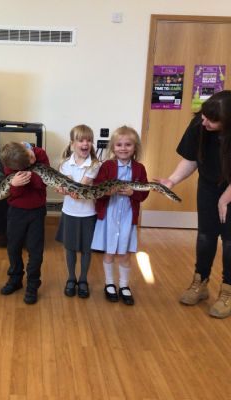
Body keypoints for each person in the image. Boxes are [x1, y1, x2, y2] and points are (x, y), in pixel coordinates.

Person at [156, 90, 231, 318]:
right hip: (208, 183)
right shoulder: (200, 123)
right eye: (204, 116)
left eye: (212, 120)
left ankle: (227, 291)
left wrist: (225, 198)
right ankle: (200, 282)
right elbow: (191, 159)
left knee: (229, 240)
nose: (205, 122)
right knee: (206, 235)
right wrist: (172, 180)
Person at [91, 126, 149, 305]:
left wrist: (133, 193)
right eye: (119, 144)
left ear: (135, 147)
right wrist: (108, 191)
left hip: (127, 218)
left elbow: (145, 192)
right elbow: (97, 189)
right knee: (109, 252)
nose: (123, 148)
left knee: (125, 254)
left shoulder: (139, 168)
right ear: (113, 147)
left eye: (128, 144)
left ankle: (124, 285)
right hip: (109, 216)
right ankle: (109, 284)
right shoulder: (107, 166)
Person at [0, 141, 50, 304]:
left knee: (35, 250)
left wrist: (29, 177)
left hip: (37, 211)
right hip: (16, 211)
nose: (33, 161)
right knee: (13, 247)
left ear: (25, 148)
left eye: (30, 157)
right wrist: (14, 185)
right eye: (28, 163)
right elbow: (12, 193)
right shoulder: (10, 162)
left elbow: (43, 183)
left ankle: (33, 284)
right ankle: (15, 279)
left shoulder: (40, 154)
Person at [55, 125, 100, 298]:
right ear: (72, 143)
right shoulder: (65, 164)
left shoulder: (95, 165)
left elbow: (80, 187)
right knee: (70, 248)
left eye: (89, 140)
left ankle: (83, 279)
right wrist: (65, 189)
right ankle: (71, 278)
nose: (85, 144)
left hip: (88, 214)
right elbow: (69, 188)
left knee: (87, 250)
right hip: (69, 213)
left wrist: (68, 189)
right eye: (81, 140)